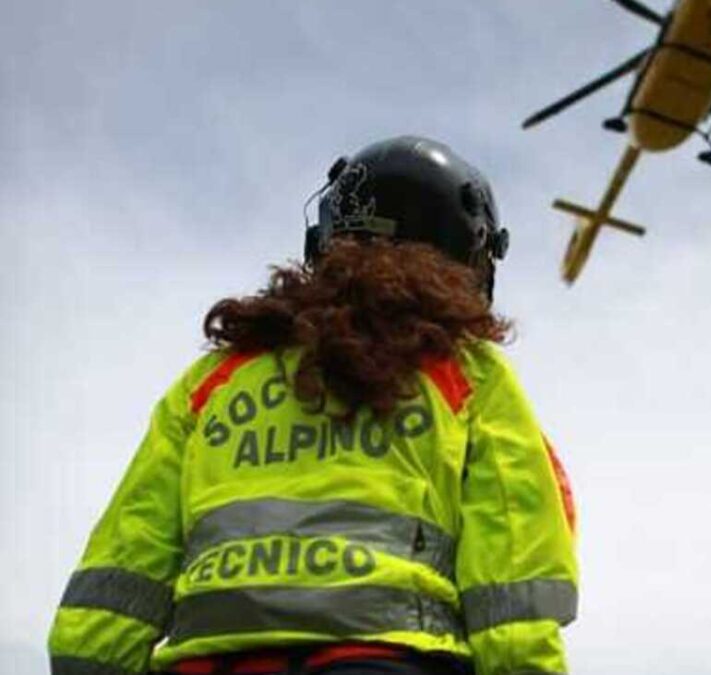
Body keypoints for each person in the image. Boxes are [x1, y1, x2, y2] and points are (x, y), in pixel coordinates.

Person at [48, 136, 579, 675]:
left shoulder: (215, 380)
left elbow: (117, 575)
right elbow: (513, 581)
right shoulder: (466, 376)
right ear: (466, 255)